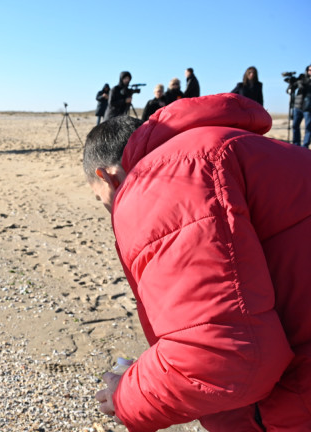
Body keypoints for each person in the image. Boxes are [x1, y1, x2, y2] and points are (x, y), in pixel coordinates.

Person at [84, 93, 311, 431]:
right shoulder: (240, 146)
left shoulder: (162, 179)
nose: (110, 212)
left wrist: (126, 394)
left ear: (108, 177)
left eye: (103, 201)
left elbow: (224, 359)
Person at [289, 64, 311, 148]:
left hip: (308, 108)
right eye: (309, 70)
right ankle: (296, 144)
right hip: (298, 106)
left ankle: (305, 146)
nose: (310, 71)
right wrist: (292, 84)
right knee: (295, 126)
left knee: (308, 128)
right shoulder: (301, 78)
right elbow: (292, 88)